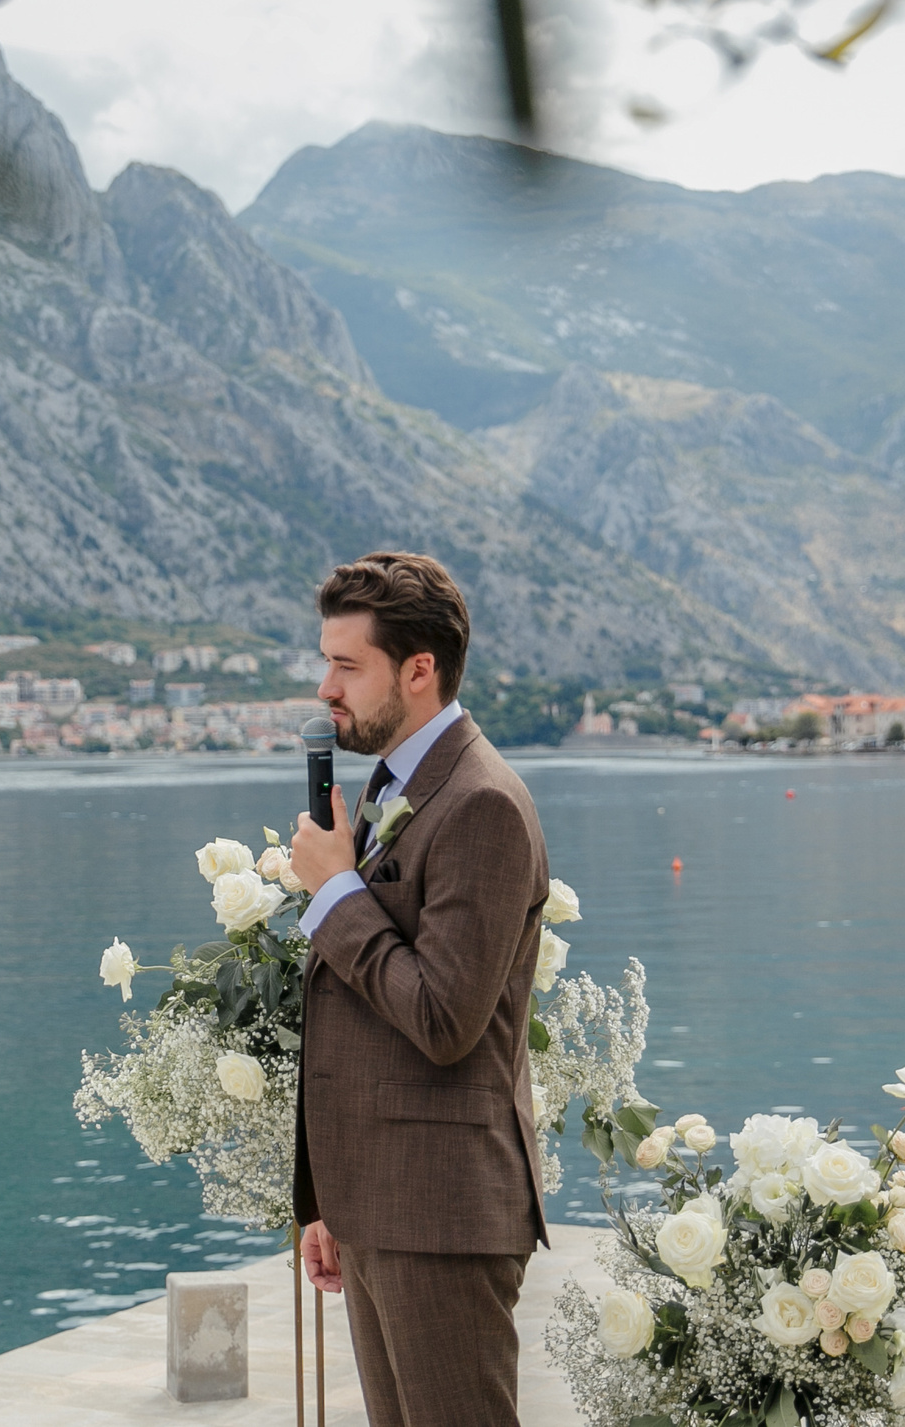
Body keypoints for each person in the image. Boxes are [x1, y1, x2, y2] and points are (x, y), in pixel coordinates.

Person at [284, 552, 554, 1427]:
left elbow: (444, 1017)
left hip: (442, 1212)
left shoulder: (483, 804)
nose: (327, 687)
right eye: (326, 661)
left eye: (346, 665)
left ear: (419, 670)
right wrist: (328, 1198)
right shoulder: (391, 786)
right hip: (379, 1203)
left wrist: (334, 893)